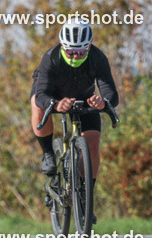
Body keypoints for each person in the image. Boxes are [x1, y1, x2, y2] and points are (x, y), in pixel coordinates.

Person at [30, 20, 119, 220]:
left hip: (82, 97)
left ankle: (86, 198)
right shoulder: (51, 58)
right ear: (63, 46)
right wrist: (55, 104)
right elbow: (41, 94)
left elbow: (111, 93)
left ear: (89, 47)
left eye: (80, 52)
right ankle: (48, 153)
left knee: (93, 142)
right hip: (52, 95)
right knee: (36, 104)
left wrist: (103, 102)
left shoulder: (98, 58)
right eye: (70, 52)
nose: (75, 56)